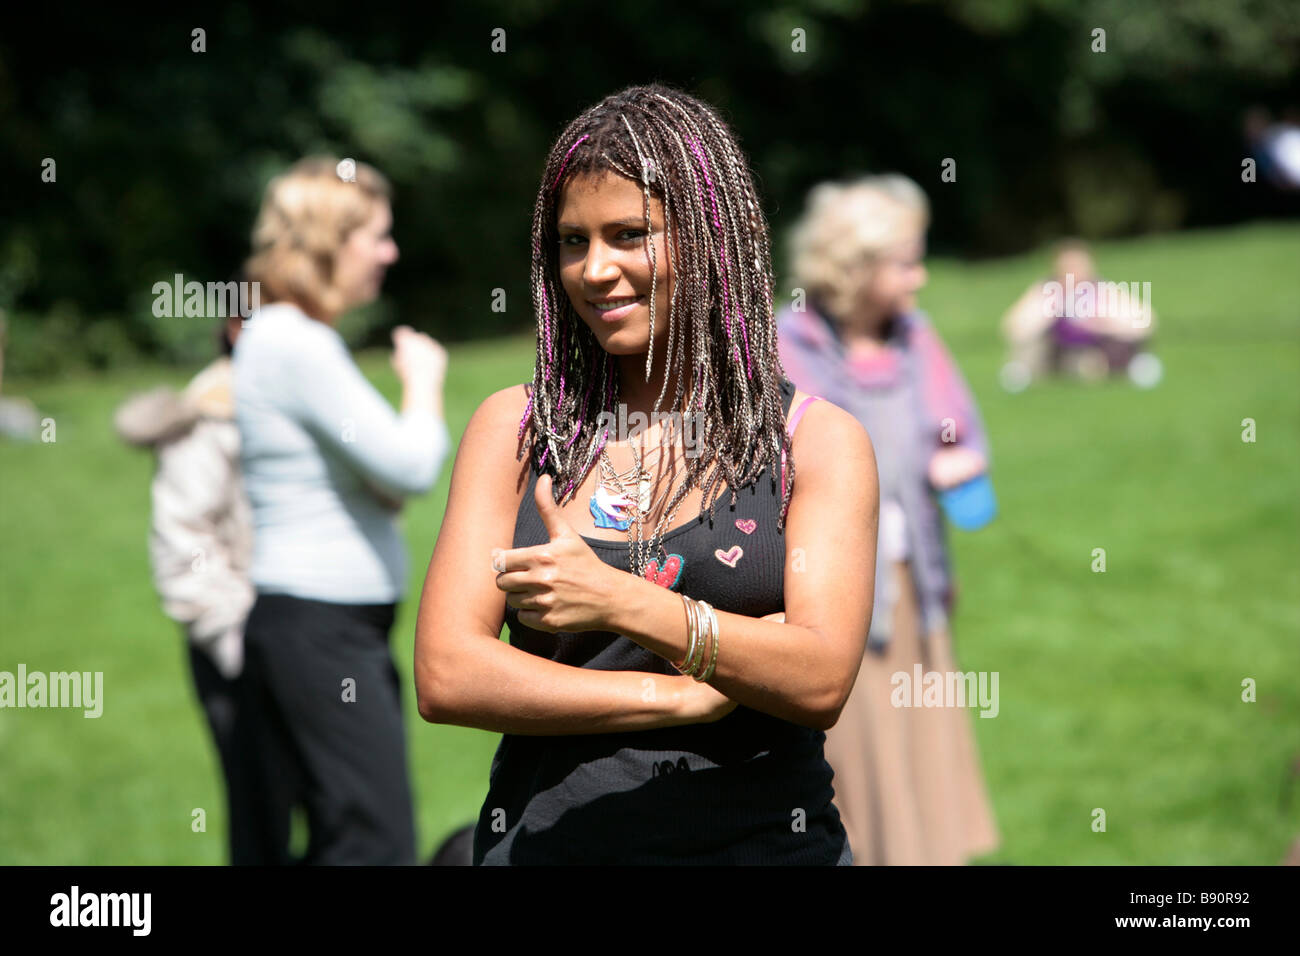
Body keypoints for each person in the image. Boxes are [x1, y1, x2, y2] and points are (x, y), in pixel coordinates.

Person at [413, 83, 878, 865]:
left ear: (709, 239)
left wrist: (623, 602)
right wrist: (681, 694)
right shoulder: (522, 430)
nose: (595, 270)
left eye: (630, 234)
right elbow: (447, 673)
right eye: (572, 241)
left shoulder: (813, 444)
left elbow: (819, 677)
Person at [231, 156, 451, 865]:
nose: (390, 253)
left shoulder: (277, 337)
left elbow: (364, 472)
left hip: (311, 626)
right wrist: (424, 383)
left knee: (335, 835)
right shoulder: (299, 343)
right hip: (322, 629)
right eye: (377, 236)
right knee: (373, 843)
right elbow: (410, 464)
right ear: (330, 240)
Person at [778, 173, 1001, 865]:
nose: (919, 276)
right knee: (859, 754)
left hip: (914, 581)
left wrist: (957, 459)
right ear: (855, 266)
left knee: (922, 744)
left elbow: (961, 428)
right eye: (905, 262)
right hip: (837, 593)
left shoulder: (915, 339)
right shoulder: (790, 346)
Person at [114, 311, 253, 848]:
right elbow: (183, 548)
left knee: (350, 824)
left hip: (313, 648)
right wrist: (246, 645)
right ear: (239, 327)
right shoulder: (211, 411)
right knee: (260, 824)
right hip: (240, 650)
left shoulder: (307, 392)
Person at [1000, 239, 1159, 390]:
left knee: (1119, 348)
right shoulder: (1047, 291)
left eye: (1078, 265)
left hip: (1099, 348)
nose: (1073, 271)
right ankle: (1023, 372)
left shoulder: (1103, 291)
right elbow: (1013, 327)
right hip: (1057, 352)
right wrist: (1048, 314)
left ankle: (1130, 366)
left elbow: (1145, 321)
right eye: (1067, 266)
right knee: (1034, 347)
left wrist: (1104, 324)